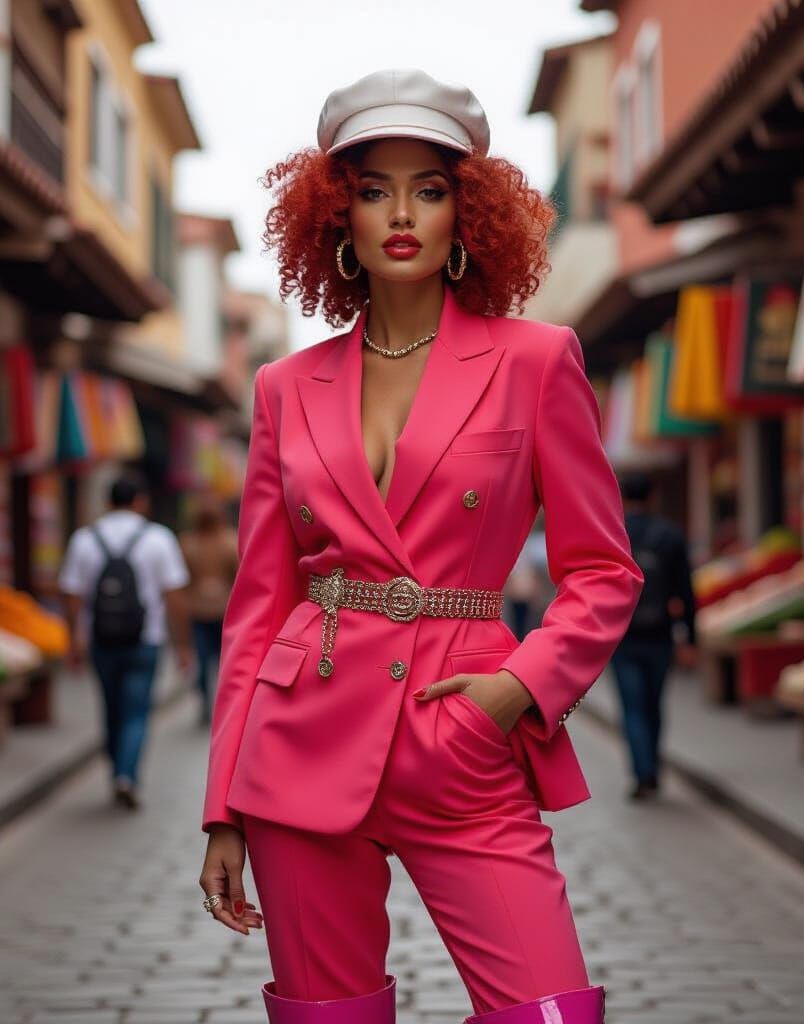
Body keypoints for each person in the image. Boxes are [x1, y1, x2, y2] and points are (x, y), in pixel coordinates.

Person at [197, 69, 644, 1024]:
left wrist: (515, 690)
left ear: (468, 214)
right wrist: (222, 805)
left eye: (430, 188)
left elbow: (603, 571)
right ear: (337, 216)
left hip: (465, 739)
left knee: (548, 1012)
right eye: (372, 188)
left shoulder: (536, 360)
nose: (401, 212)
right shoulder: (283, 386)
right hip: (300, 745)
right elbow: (257, 605)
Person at [60, 471, 192, 810]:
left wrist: (74, 637)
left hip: (101, 640)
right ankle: (127, 775)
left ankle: (117, 766)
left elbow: (72, 595)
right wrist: (183, 645)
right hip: (146, 639)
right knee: (136, 711)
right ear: (141, 502)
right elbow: (175, 596)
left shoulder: (84, 539)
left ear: (108, 502)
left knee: (111, 706)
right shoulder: (159, 539)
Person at [611, 470, 697, 802]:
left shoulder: (614, 535)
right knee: (654, 704)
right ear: (652, 497)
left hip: (623, 637)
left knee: (632, 707)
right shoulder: (670, 535)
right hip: (661, 635)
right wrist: (690, 638)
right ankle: (653, 767)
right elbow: (687, 594)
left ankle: (643, 772)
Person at [178, 492, 239, 726]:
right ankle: (209, 700)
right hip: (203, 613)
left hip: (219, 613)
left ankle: (218, 702)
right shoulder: (193, 543)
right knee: (207, 663)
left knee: (219, 664)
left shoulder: (225, 542)